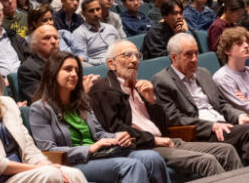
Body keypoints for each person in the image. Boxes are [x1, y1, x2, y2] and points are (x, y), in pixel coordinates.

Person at [88, 40, 242, 178]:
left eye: (137, 55)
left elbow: (164, 125)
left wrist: (152, 101)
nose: (134, 60)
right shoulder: (104, 89)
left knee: (227, 151)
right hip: (143, 147)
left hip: (166, 140)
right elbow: (116, 129)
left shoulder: (139, 85)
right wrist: (154, 139)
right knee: (207, 161)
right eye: (127, 55)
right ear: (111, 64)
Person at [29, 51, 169, 183]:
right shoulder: (40, 109)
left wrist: (117, 137)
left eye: (77, 70)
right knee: (130, 166)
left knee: (152, 158)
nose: (74, 74)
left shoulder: (82, 102)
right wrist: (89, 149)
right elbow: (48, 150)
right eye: (68, 69)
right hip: (74, 163)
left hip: (101, 155)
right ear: (53, 73)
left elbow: (100, 134)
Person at [0, 53, 88, 183]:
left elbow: (28, 146)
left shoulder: (7, 104)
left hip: (21, 173)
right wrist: (35, 169)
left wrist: (43, 164)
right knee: (51, 175)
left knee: (73, 173)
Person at [151, 32, 249, 165]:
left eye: (196, 53)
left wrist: (239, 116)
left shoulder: (203, 73)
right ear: (173, 57)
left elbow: (221, 103)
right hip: (202, 131)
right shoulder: (162, 80)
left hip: (224, 124)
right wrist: (211, 126)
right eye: (188, 54)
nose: (194, 59)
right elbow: (174, 119)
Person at [73, 0, 121, 66]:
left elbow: (121, 48)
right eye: (91, 11)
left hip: (118, 64)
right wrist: (103, 62)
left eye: (98, 9)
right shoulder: (79, 33)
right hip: (98, 69)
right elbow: (82, 59)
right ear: (83, 13)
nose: (96, 14)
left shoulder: (110, 28)